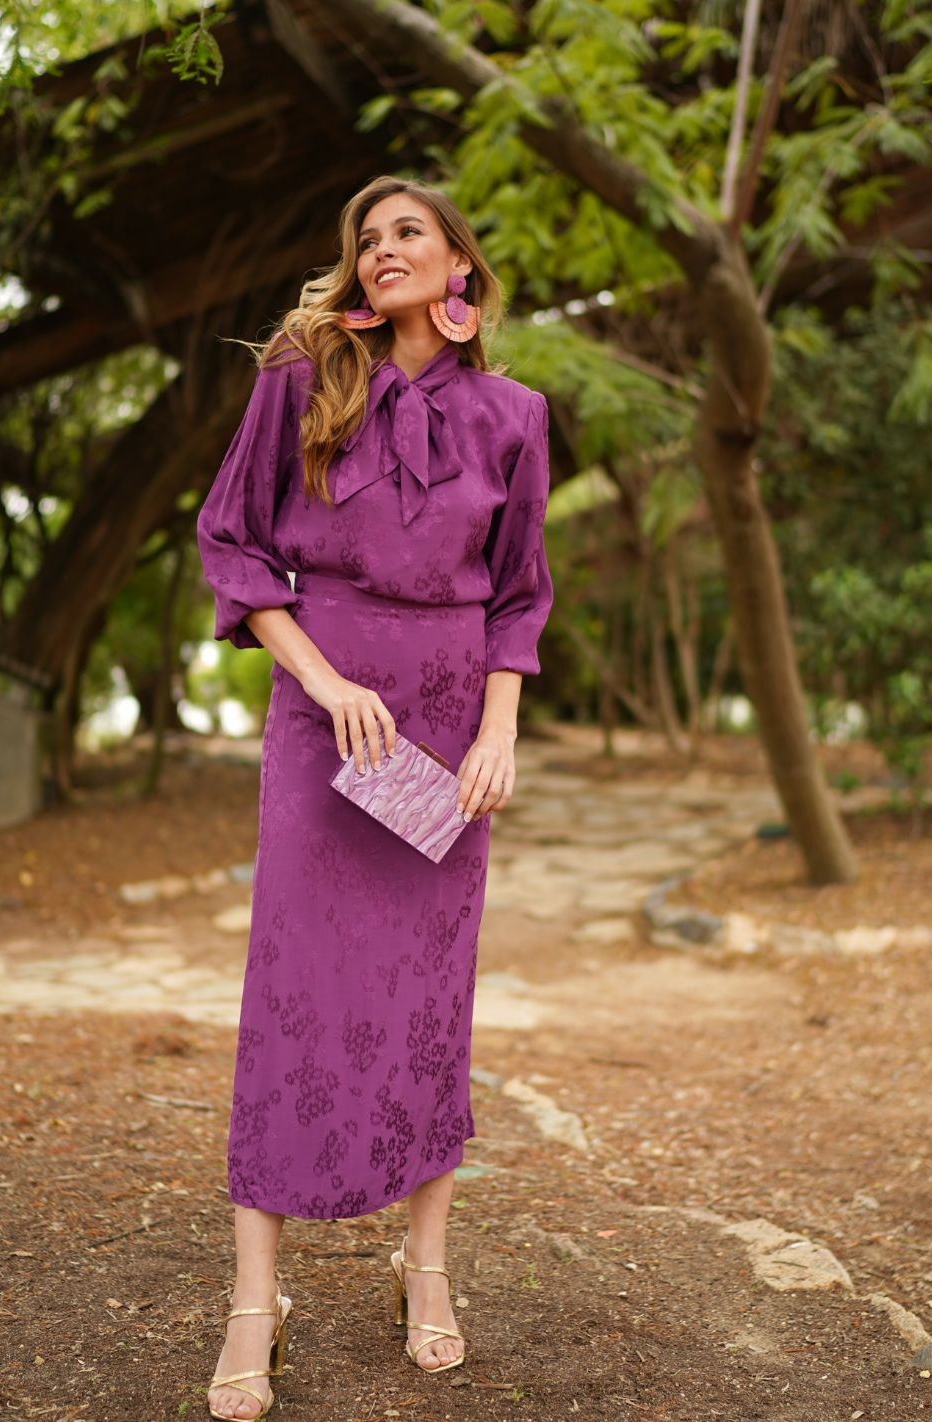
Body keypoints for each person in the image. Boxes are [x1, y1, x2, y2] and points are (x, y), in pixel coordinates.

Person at [195, 174, 554, 1421]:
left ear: (458, 265)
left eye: (409, 232)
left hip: (447, 729)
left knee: (426, 1004)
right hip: (327, 718)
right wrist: (322, 678)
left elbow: (519, 593)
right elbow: (234, 545)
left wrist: (498, 732)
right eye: (366, 237)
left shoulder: (513, 414)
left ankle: (426, 1266)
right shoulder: (299, 377)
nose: (382, 248)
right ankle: (255, 1301)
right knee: (288, 994)